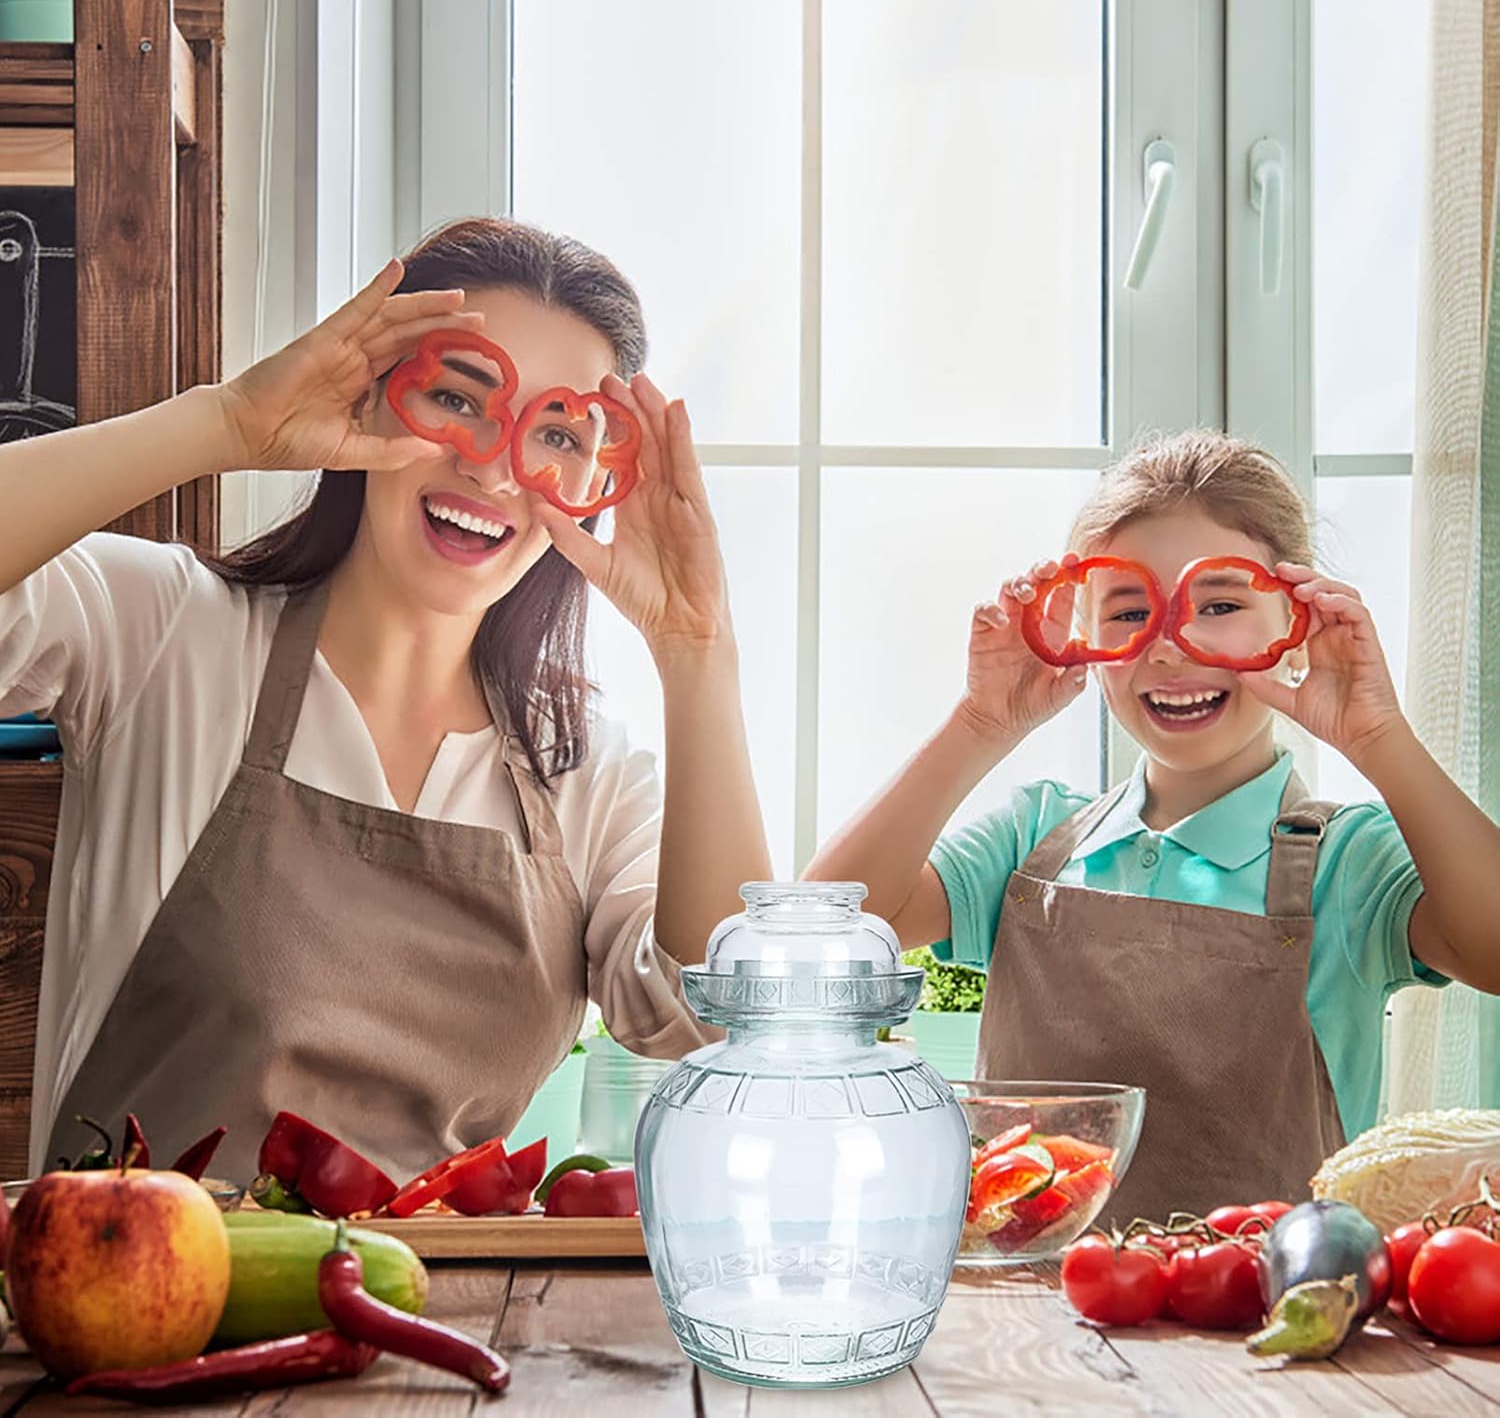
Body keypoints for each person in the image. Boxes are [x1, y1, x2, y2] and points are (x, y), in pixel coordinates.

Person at [0, 217, 771, 1182]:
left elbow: (724, 1019)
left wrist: (698, 653)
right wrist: (227, 423)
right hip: (126, 1315)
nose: (492, 467)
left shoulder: (586, 776)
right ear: (371, 396)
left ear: (591, 485)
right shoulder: (163, 634)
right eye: (457, 397)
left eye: (558, 433)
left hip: (447, 1323)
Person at [806, 430, 1500, 1219]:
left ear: (1296, 624)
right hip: (1027, 1324)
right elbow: (821, 931)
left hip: (1263, 1322)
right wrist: (979, 721)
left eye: (1222, 606)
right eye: (1131, 610)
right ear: (1086, 641)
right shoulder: (1032, 840)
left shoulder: (1348, 859)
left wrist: (1379, 738)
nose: (1172, 646)